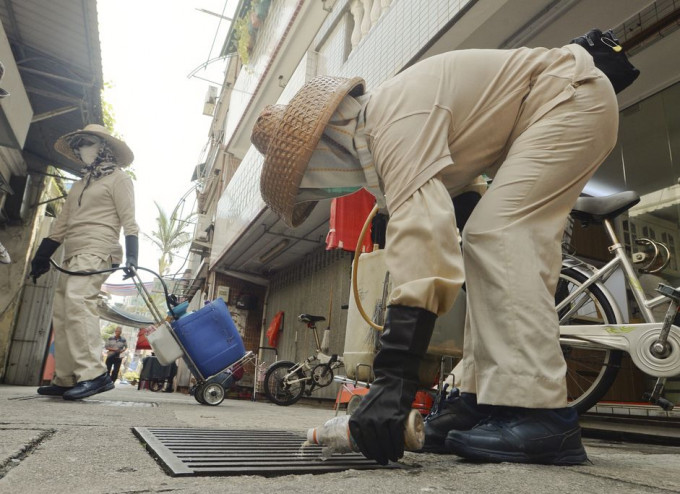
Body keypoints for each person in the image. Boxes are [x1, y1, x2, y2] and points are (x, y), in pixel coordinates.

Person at [250, 29, 640, 465]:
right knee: (485, 248)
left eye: (308, 179)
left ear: (321, 149)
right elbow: (458, 207)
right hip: (554, 107)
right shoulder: (385, 127)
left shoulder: (390, 123)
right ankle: (478, 401)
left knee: (499, 235)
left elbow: (424, 245)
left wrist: (391, 382)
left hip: (569, 98)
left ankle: (544, 416)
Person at [31, 124, 139, 400]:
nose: (81, 147)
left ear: (103, 147)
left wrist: (133, 257)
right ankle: (66, 377)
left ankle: (94, 374)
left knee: (79, 301)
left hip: (99, 247)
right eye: (78, 143)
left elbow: (129, 222)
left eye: (87, 142)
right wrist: (42, 256)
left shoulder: (119, 179)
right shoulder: (80, 184)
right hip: (73, 251)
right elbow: (61, 225)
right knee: (63, 308)